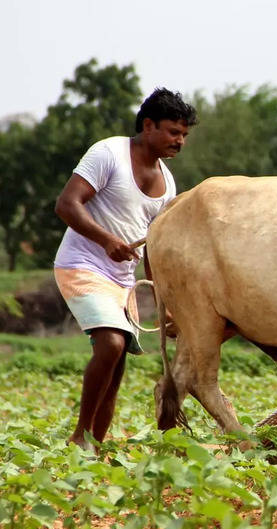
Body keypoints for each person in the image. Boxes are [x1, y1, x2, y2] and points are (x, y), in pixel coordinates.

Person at [53, 88, 197, 450]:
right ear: (148, 125)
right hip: (82, 264)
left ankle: (94, 447)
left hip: (122, 282)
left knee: (116, 368)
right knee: (111, 344)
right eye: (172, 132)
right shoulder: (108, 154)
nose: (179, 141)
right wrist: (107, 241)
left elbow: (153, 246)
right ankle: (79, 438)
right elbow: (67, 205)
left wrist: (167, 301)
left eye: (184, 135)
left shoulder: (168, 183)